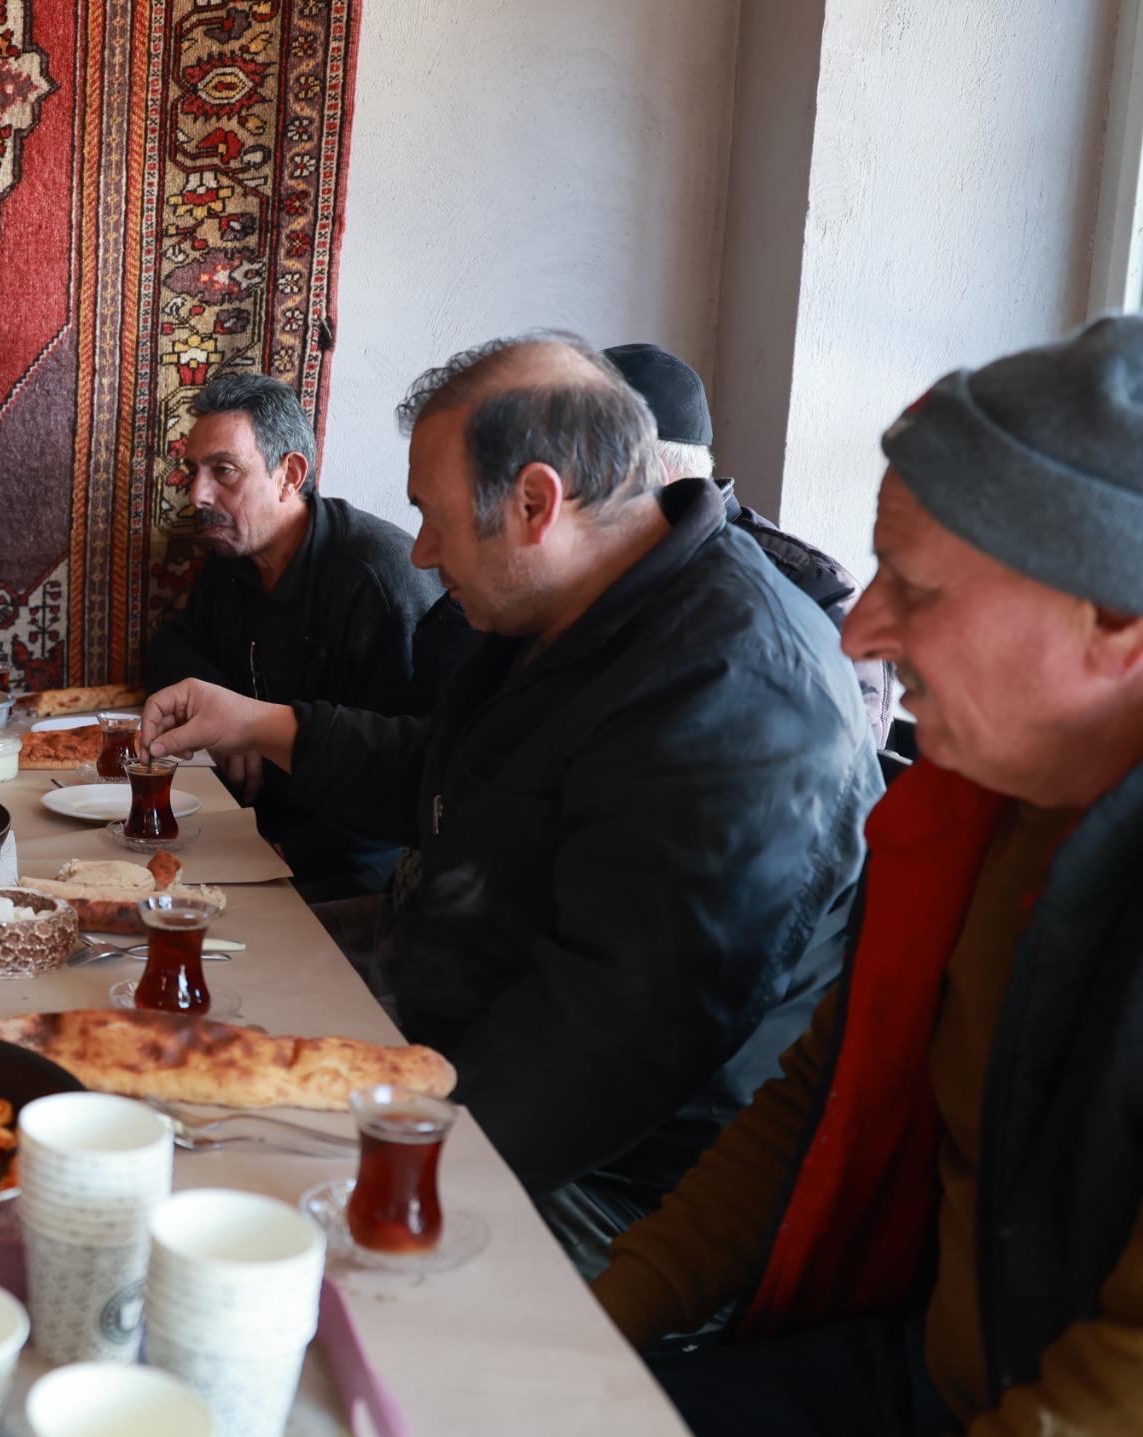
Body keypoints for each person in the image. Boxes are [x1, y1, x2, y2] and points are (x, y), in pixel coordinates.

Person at [136, 331, 881, 1272]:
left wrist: (383, 1142)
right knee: (172, 1069)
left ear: (536, 502)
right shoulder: (548, 604)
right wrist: (261, 722)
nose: (425, 548)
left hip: (619, 1177)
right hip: (450, 1021)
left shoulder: (738, 688)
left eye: (435, 518)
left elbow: (611, 1036)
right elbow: (442, 776)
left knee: (233, 1229)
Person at [592, 318, 1143, 1435]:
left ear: (1115, 622)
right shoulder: (969, 816)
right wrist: (591, 1320)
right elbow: (817, 1099)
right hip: (921, 1367)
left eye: (917, 588)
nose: (858, 635)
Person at [142, 372, 470, 898]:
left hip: (344, 868)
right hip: (251, 826)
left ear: (289, 473)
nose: (197, 495)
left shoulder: (375, 581)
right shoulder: (234, 555)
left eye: (223, 471)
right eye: (192, 471)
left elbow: (399, 774)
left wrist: (289, 857)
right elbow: (171, 647)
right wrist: (231, 715)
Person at [604, 342, 898, 747]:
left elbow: (846, 773)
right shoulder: (596, 563)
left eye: (579, 468)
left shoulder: (814, 589)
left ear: (642, 471)